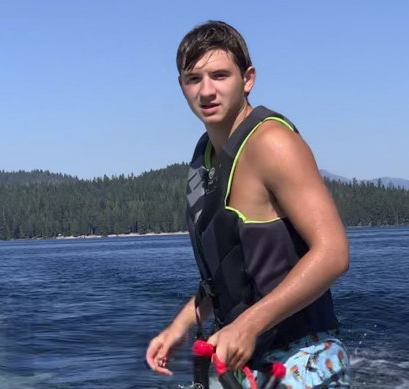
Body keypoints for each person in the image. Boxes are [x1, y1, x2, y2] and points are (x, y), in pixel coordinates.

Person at [146, 20, 351, 388]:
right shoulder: (208, 157)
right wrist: (180, 326)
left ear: (248, 78)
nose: (206, 90)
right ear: (181, 86)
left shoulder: (273, 144)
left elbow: (334, 253)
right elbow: (232, 273)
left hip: (304, 358)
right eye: (194, 79)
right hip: (246, 365)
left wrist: (248, 324)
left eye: (220, 75)